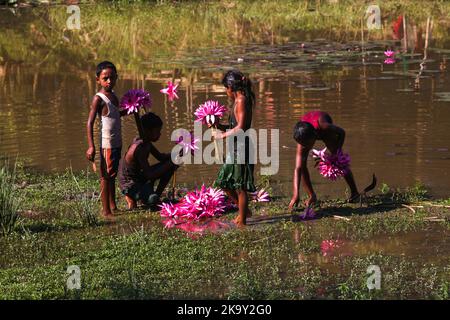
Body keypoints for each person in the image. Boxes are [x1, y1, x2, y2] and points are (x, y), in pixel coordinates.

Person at [289, 111, 360, 211]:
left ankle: (355, 192)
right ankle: (312, 196)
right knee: (302, 164)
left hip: (321, 125)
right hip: (305, 129)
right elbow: (298, 168)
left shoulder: (325, 127)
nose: (306, 147)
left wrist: (336, 153)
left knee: (340, 160)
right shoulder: (302, 137)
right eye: (303, 144)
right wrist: (295, 194)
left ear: (314, 136)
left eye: (308, 144)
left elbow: (342, 132)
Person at [212, 70, 256, 227]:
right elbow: (234, 126)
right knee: (223, 183)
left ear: (231, 87)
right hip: (235, 148)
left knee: (240, 186)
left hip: (242, 148)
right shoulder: (238, 101)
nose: (226, 92)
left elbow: (242, 127)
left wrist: (222, 136)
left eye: (226, 88)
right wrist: (220, 126)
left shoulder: (242, 100)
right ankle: (244, 211)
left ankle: (242, 221)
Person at [86, 61, 127, 217]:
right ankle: (106, 211)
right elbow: (89, 122)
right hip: (107, 144)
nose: (109, 81)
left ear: (116, 77)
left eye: (112, 77)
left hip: (117, 142)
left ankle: (113, 206)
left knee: (112, 174)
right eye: (105, 78)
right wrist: (91, 146)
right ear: (98, 80)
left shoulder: (114, 96)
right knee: (105, 176)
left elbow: (115, 115)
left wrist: (130, 110)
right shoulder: (99, 98)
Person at [119, 112, 178, 210]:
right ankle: (135, 197)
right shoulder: (140, 148)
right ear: (147, 131)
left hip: (139, 178)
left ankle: (156, 195)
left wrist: (177, 153)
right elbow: (149, 175)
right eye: (157, 131)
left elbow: (161, 157)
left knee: (169, 166)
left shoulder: (147, 143)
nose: (160, 134)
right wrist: (171, 163)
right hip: (130, 185)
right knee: (152, 200)